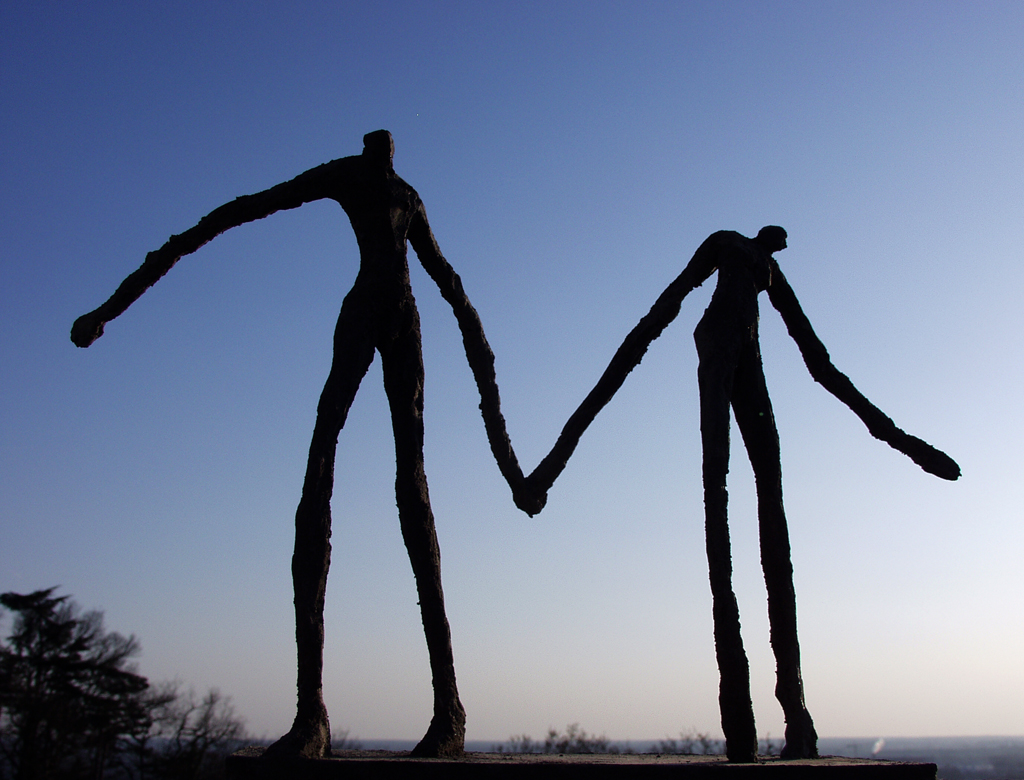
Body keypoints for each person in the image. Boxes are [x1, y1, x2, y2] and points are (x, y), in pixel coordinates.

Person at [72, 130, 539, 759]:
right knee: (319, 473)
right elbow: (235, 214)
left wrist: (509, 460)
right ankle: (311, 713)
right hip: (368, 311)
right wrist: (112, 306)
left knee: (413, 493)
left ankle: (447, 710)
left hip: (403, 320)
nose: (385, 144)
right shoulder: (349, 175)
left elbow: (455, 293)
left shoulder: (407, 195)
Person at [524, 226, 959, 762]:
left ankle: (795, 714)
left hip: (748, 359)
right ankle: (740, 718)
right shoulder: (727, 243)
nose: (782, 238)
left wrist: (900, 439)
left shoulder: (770, 273)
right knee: (718, 491)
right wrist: (555, 462)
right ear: (766, 235)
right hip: (719, 347)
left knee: (771, 506)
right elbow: (661, 314)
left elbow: (818, 363)